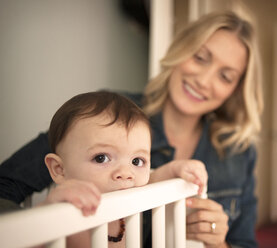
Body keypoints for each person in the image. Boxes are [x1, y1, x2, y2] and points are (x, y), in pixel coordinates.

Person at [0, 10, 263, 248]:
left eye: (225, 76)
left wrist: (218, 243)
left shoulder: (237, 152)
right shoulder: (103, 116)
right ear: (180, 52)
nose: (204, 80)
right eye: (200, 58)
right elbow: (6, 184)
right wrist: (43, 222)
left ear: (235, 90)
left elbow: (244, 243)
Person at [37, 91, 207, 247]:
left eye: (137, 161)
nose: (126, 173)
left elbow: (153, 181)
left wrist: (175, 169)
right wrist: (49, 209)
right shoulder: (64, 212)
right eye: (101, 158)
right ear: (59, 169)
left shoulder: (134, 196)